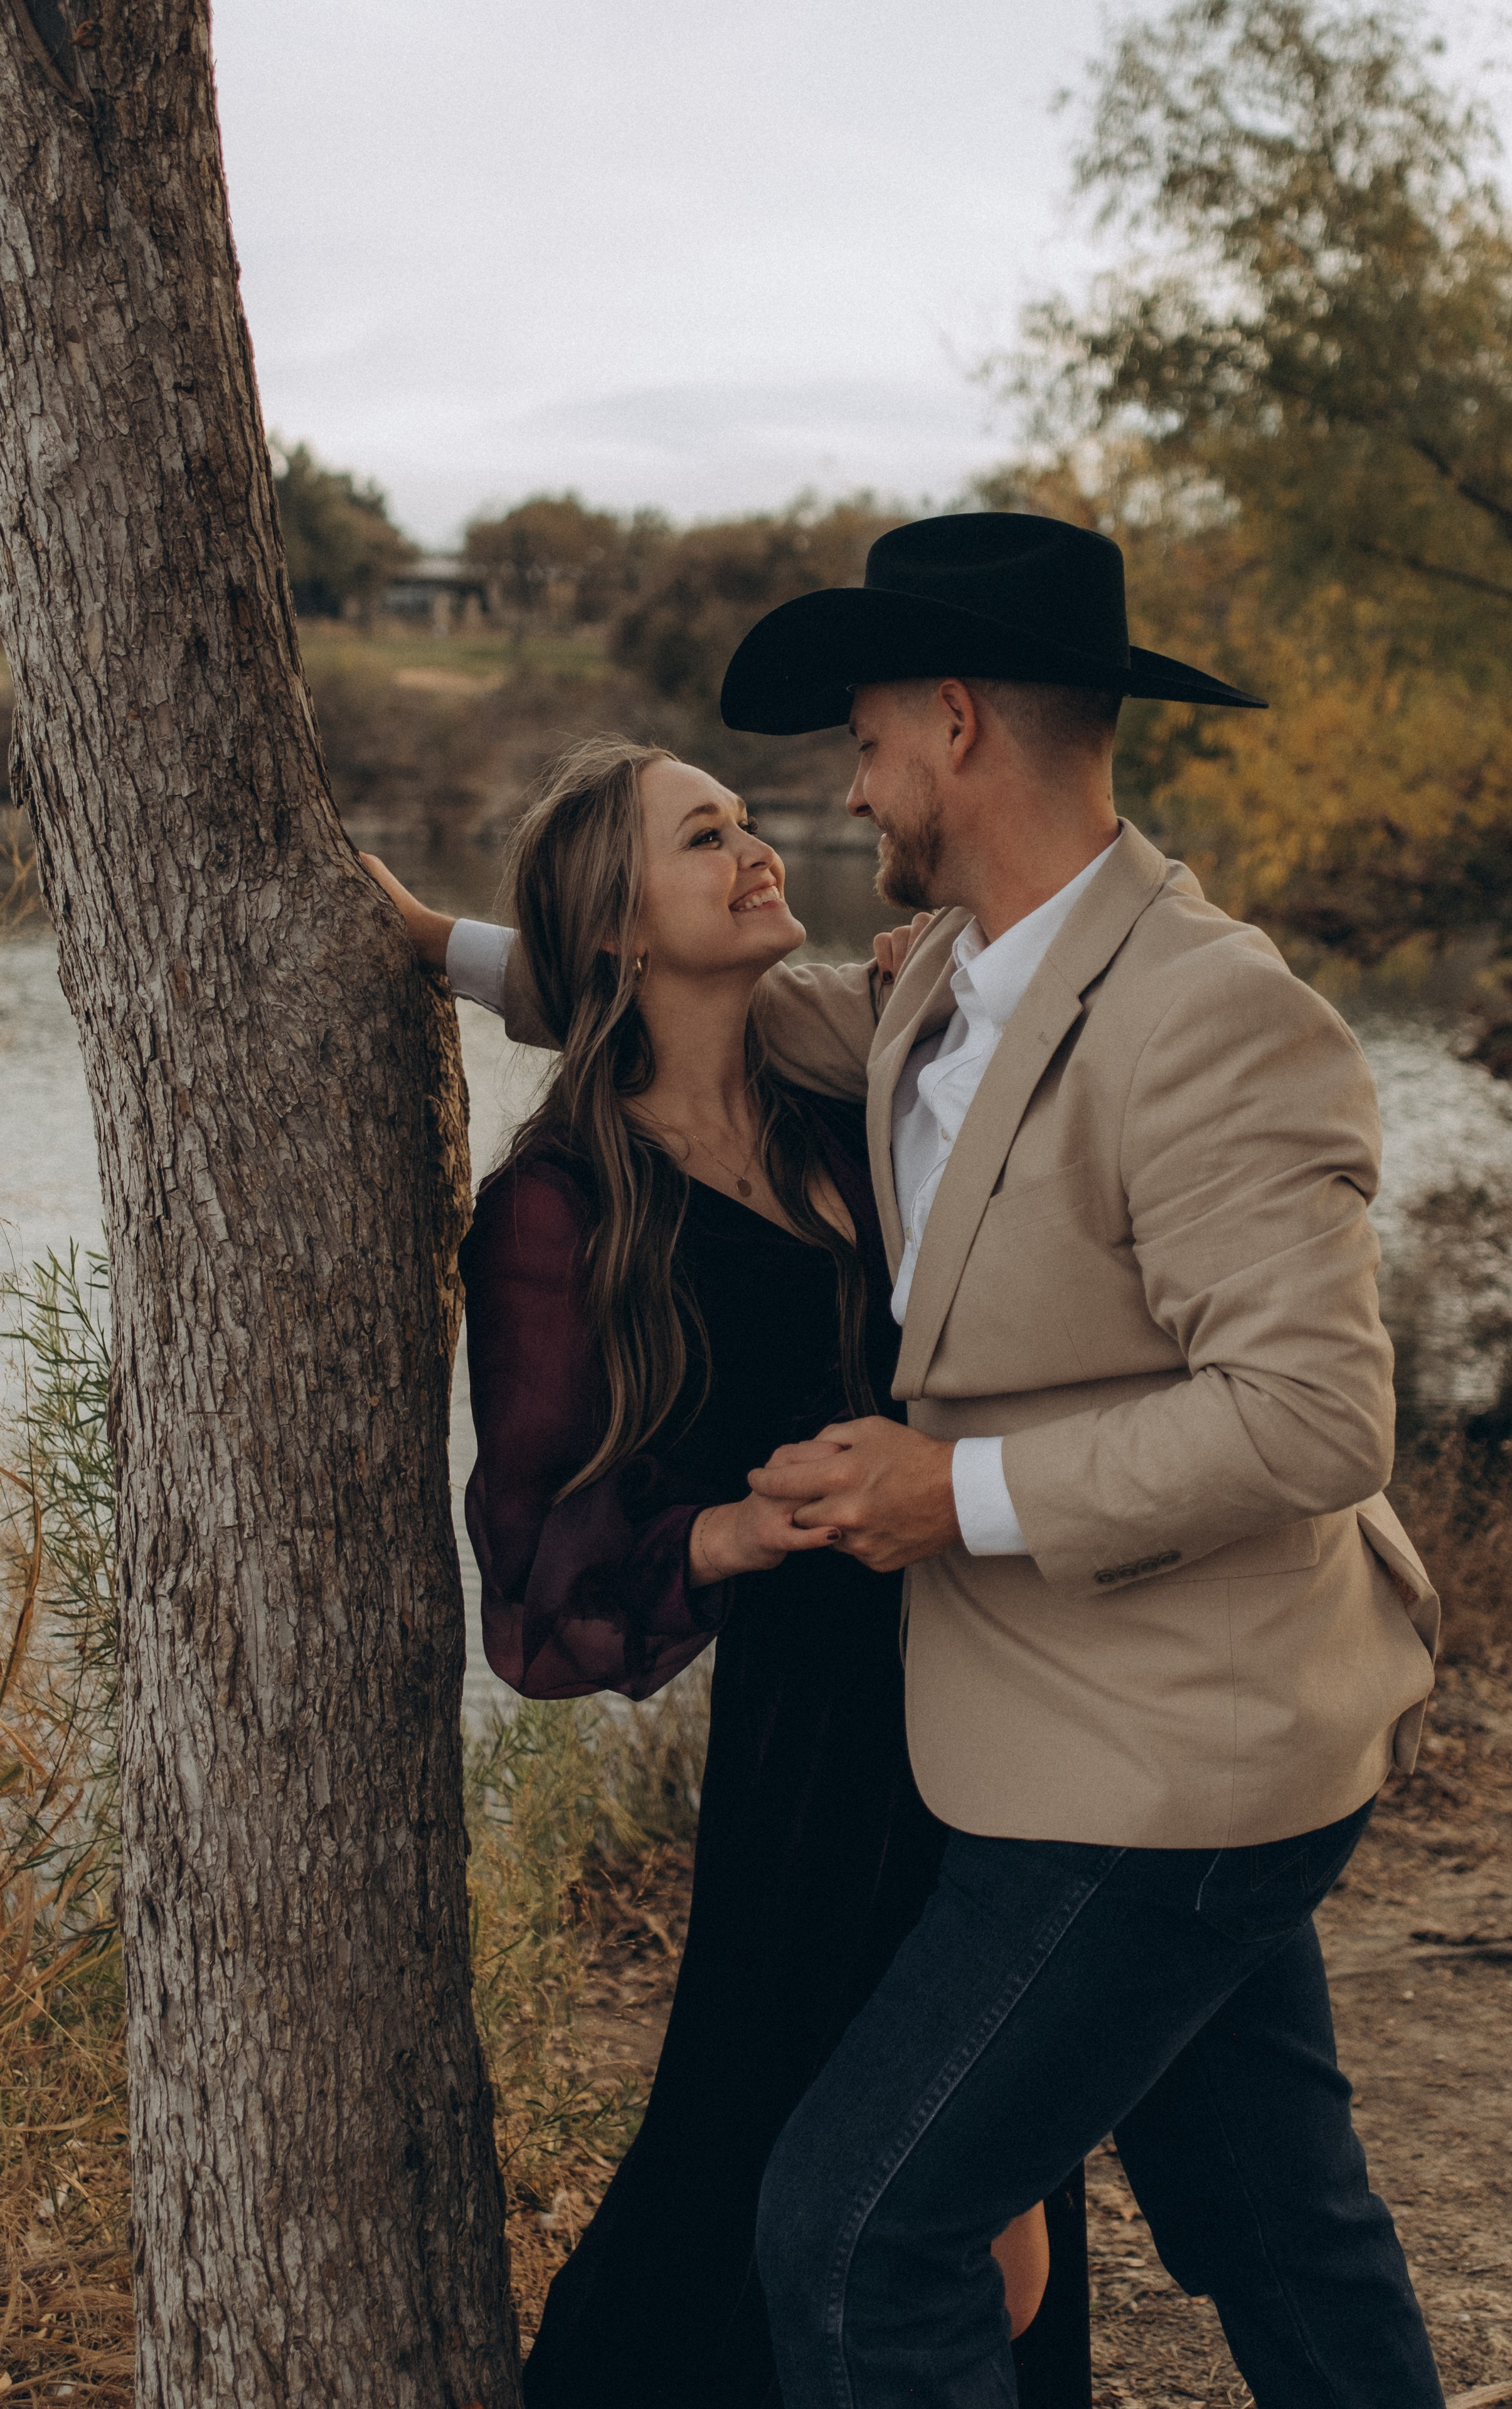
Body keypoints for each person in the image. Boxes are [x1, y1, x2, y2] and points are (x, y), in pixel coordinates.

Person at [431, 512, 1449, 2409]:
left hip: (1171, 1742)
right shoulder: (930, 999)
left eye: (869, 735)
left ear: (958, 725)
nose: (846, 786)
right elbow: (663, 1008)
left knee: (864, 2237)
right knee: (1278, 2221)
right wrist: (430, 944)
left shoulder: (1215, 1013)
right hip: (1008, 1728)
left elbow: (1317, 1415)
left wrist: (945, 1494)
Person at [363, 731, 1087, 2409]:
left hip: (1006, 1683)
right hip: (826, 1744)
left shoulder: (853, 1097)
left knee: (993, 2205)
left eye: (751, 820)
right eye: (708, 837)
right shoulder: (558, 1208)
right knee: (774, 2177)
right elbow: (535, 1577)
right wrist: (736, 1532)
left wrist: (451, 945)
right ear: (619, 922)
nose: (760, 849)